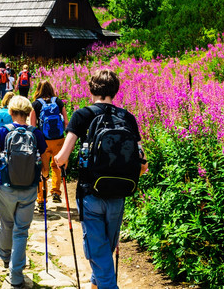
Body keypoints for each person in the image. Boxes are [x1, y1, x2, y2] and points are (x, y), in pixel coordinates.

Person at [54, 69, 147, 289]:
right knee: (106, 247)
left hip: (90, 193)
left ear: (91, 89)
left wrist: (58, 160)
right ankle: (96, 285)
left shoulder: (82, 115)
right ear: (115, 90)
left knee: (97, 249)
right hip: (119, 194)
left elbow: (62, 157)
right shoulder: (127, 117)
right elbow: (143, 165)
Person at [0, 96, 47, 288]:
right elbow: (45, 163)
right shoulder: (37, 134)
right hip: (30, 188)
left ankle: (5, 257)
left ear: (11, 112)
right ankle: (16, 275)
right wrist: (45, 174)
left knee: (6, 224)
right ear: (28, 112)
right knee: (21, 231)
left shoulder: (2, 132)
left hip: (6, 187)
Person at [30, 81, 68, 210]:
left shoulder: (36, 104)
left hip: (43, 141)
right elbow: (66, 122)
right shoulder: (58, 102)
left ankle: (41, 200)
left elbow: (32, 126)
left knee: (42, 170)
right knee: (57, 166)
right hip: (59, 139)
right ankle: (56, 192)